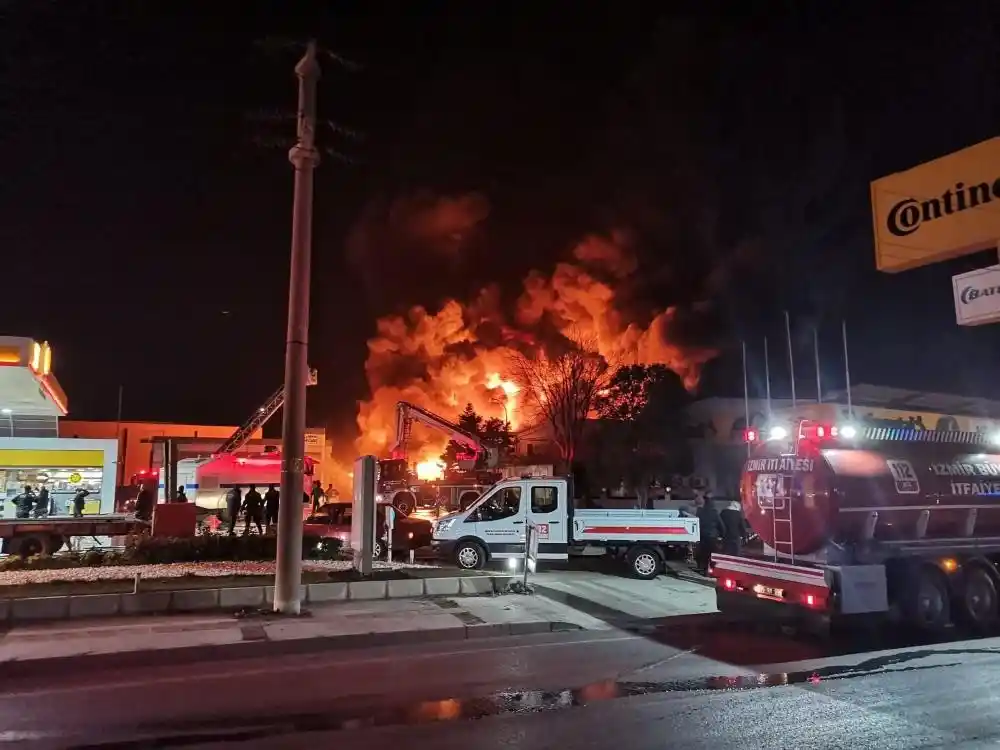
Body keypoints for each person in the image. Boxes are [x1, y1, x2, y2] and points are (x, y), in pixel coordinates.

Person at [694, 492, 723, 575]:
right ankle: (713, 570)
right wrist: (722, 534)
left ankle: (704, 569)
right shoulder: (715, 512)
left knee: (704, 554)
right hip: (713, 537)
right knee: (713, 554)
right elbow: (721, 525)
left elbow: (698, 523)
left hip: (703, 536)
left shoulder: (700, 512)